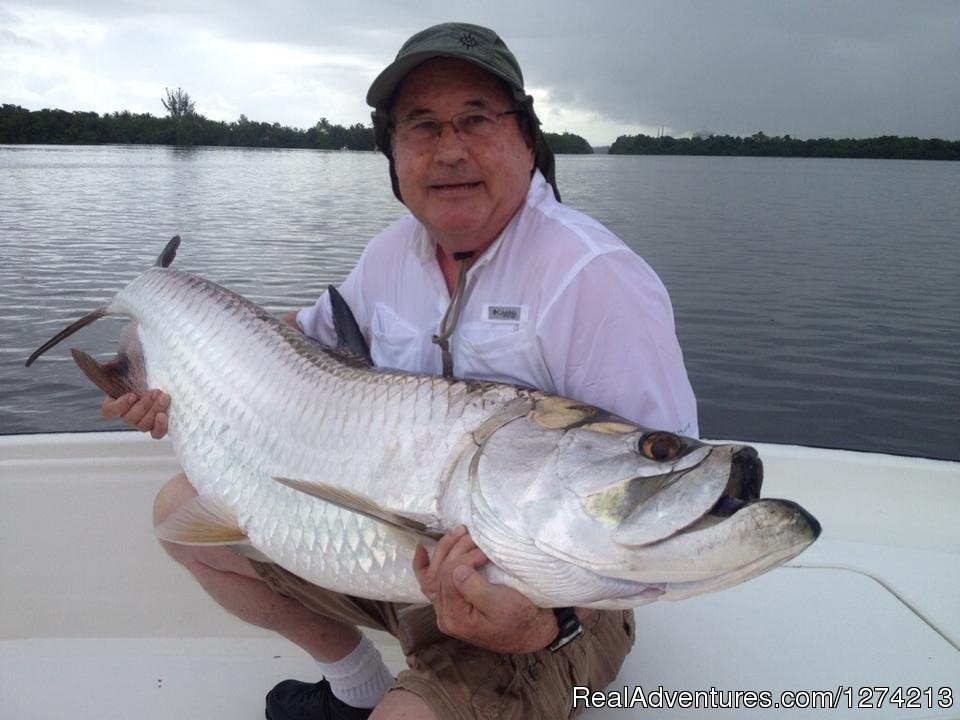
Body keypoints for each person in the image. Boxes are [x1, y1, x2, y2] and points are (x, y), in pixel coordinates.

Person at [103, 22, 698, 720]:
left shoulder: (597, 282)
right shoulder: (392, 256)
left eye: (475, 119)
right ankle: (355, 686)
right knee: (181, 513)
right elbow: (300, 344)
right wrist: (175, 381)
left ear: (527, 139)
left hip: (553, 606)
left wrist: (548, 622)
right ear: (392, 153)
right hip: (396, 554)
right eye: (421, 127)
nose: (449, 150)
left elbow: (652, 508)